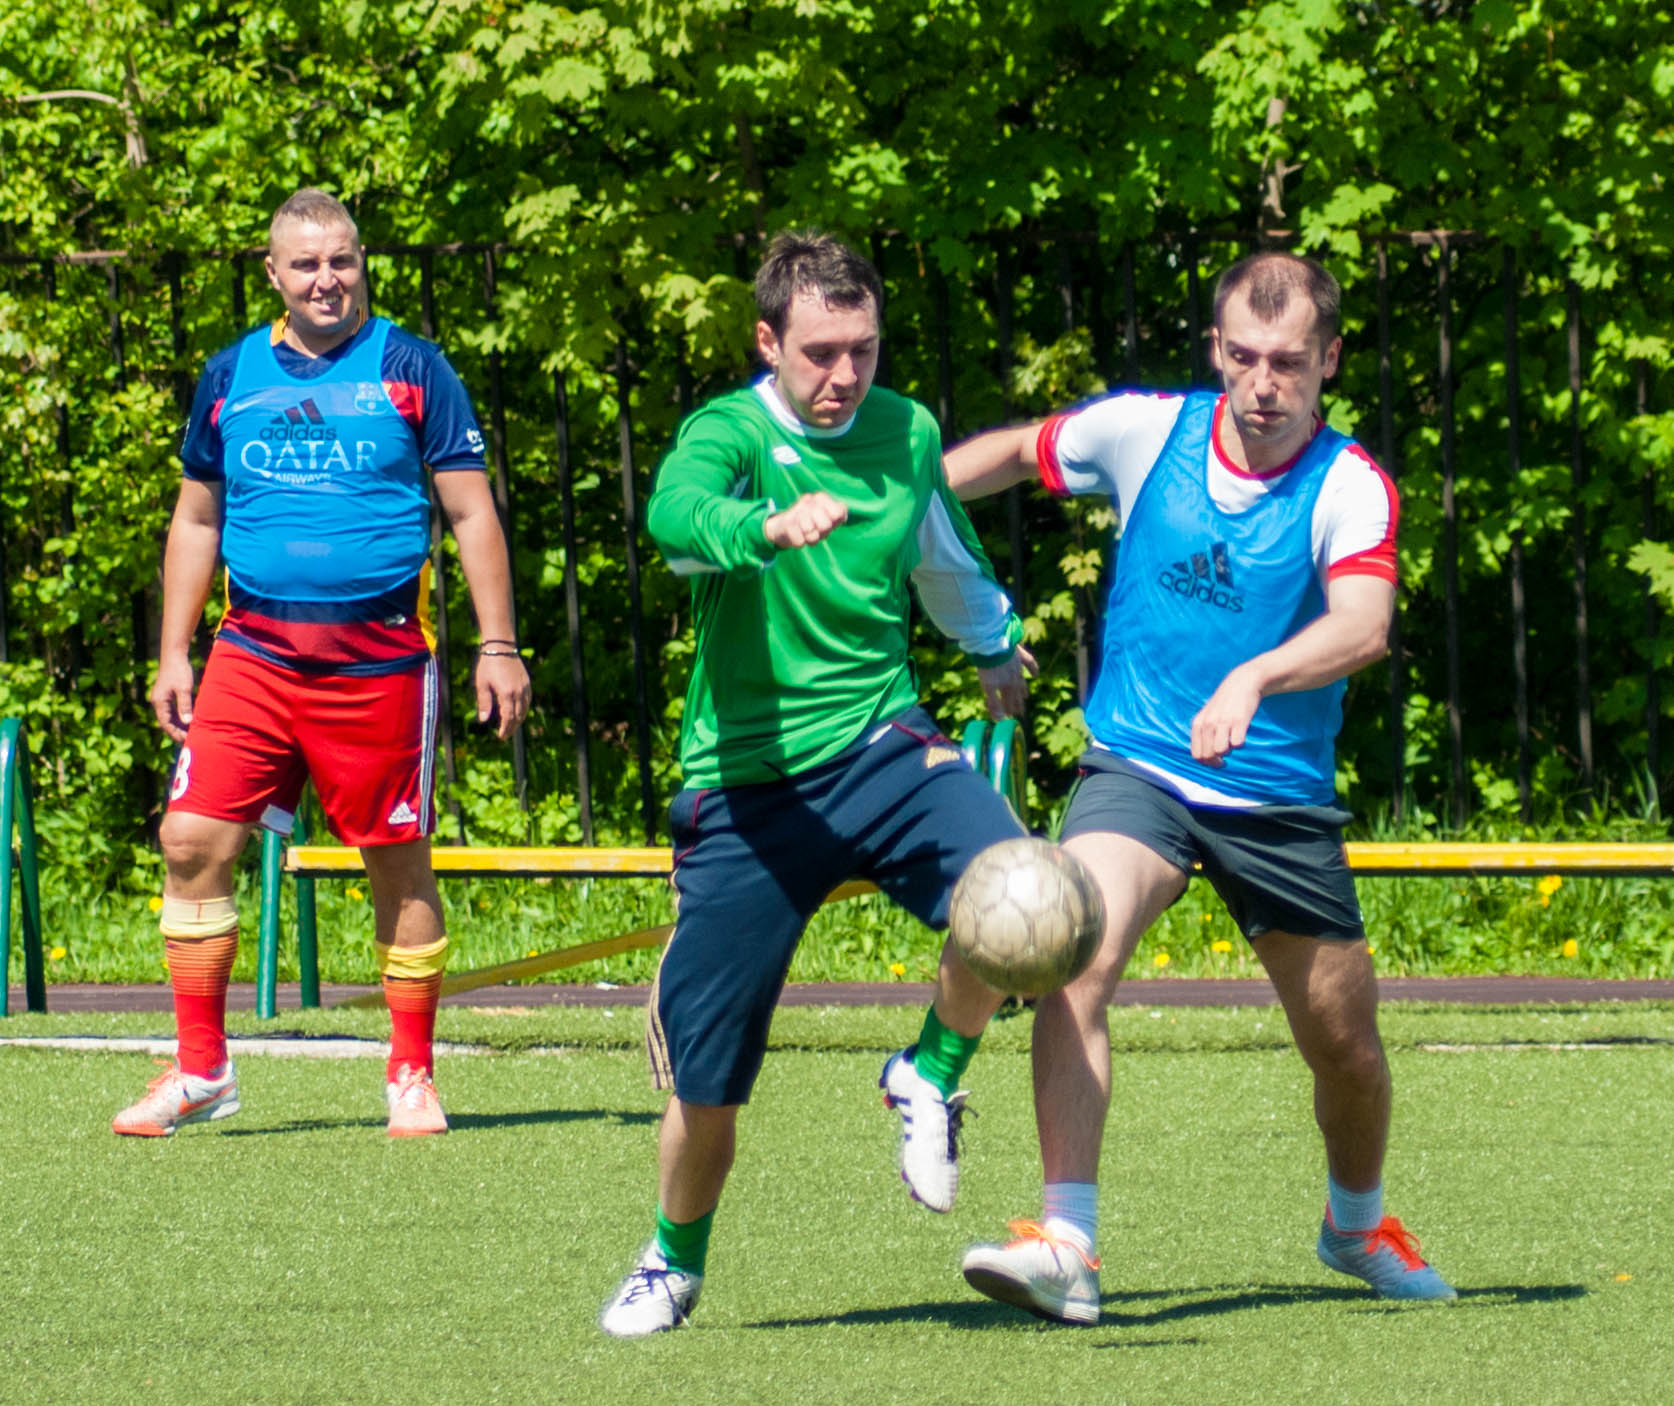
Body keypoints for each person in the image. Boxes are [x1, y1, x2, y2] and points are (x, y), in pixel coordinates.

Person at [945, 251, 1454, 1323]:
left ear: (1330, 361)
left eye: (1290, 362)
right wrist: (895, 494)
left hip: (1276, 799)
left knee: (1346, 1050)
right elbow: (1018, 452)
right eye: (1246, 356)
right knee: (1075, 950)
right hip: (1140, 767)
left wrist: (1255, 676)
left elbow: (1365, 627)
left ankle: (1357, 1225)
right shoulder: (1148, 432)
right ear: (1218, 348)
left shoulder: (1349, 484)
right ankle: (1067, 1243)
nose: (1265, 383)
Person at [599, 230, 1037, 1338]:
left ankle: (930, 1071)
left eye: (864, 350)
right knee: (707, 1083)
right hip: (747, 788)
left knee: (1027, 893)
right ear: (768, 342)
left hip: (882, 746)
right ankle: (673, 1260)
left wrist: (993, 645)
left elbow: (941, 549)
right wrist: (762, 525)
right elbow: (674, 517)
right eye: (821, 353)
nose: (845, 375)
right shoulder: (731, 432)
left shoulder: (906, 430)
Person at [113, 188, 530, 1140]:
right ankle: (201, 1071)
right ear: (274, 274)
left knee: (396, 863)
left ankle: (412, 1075)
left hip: (379, 660)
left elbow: (471, 512)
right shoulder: (230, 374)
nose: (326, 279)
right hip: (252, 654)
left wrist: (498, 645)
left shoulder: (414, 367)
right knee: (190, 842)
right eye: (305, 264)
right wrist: (173, 650)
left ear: (361, 262)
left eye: (340, 259)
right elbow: (197, 518)